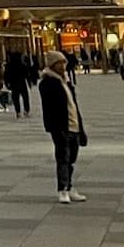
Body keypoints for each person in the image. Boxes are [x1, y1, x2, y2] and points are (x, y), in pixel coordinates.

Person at [38, 50, 87, 204]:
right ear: (52, 65)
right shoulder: (48, 83)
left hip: (73, 124)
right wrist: (55, 128)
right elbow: (49, 109)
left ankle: (69, 185)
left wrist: (81, 128)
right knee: (63, 158)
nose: (63, 66)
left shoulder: (65, 82)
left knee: (72, 158)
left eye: (64, 62)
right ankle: (63, 189)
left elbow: (74, 105)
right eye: (60, 63)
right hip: (60, 127)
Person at [7, 51, 32, 118]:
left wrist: (7, 84)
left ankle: (18, 112)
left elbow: (6, 75)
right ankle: (26, 110)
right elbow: (27, 75)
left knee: (16, 98)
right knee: (25, 97)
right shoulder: (22, 65)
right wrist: (29, 83)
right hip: (22, 83)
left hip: (14, 84)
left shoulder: (9, 66)